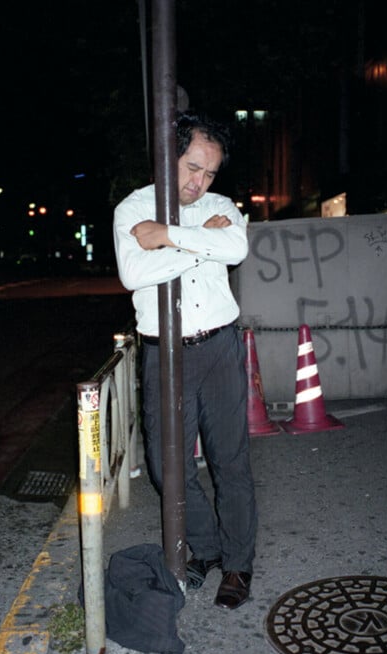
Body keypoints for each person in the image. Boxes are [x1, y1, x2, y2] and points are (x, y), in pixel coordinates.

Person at [113, 111, 257, 610]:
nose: (200, 182)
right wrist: (203, 245)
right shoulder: (131, 207)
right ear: (167, 156)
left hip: (219, 346)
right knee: (164, 465)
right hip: (162, 352)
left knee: (230, 460)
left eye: (210, 172)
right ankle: (210, 548)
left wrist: (169, 236)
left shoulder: (222, 207)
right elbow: (134, 272)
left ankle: (237, 564)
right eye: (193, 167)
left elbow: (235, 247)